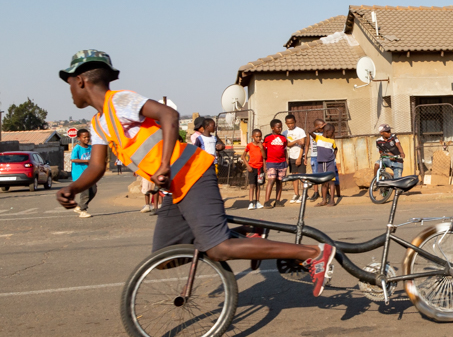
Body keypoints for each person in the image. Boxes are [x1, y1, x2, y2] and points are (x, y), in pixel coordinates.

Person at [56, 50, 333, 297]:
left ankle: (312, 254)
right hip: (172, 186)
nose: (69, 90)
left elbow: (169, 116)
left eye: (69, 82)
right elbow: (96, 166)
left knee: (218, 249)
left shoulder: (120, 101)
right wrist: (73, 189)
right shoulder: (97, 123)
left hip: (192, 172)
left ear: (81, 80)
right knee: (164, 258)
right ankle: (249, 235)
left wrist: (164, 164)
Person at [313, 123, 341, 206]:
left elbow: (335, 149)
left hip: (330, 163)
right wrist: (318, 127)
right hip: (321, 163)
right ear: (327, 131)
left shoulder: (332, 141)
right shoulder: (318, 138)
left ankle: (332, 200)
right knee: (324, 183)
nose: (333, 134)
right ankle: (324, 200)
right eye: (332, 132)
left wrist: (333, 157)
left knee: (331, 182)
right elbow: (309, 132)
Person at [69, 129, 95, 219]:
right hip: (80, 174)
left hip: (90, 173)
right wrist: (85, 161)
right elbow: (73, 159)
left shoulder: (91, 148)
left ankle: (80, 206)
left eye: (88, 137)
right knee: (86, 193)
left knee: (93, 191)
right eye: (84, 137)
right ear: (79, 138)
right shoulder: (77, 148)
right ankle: (83, 211)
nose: (86, 139)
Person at [263, 119, 288, 208]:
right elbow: (263, 151)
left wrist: (286, 160)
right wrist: (264, 163)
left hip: (282, 163)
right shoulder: (267, 138)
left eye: (281, 127)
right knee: (271, 179)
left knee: (279, 181)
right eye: (278, 127)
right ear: (272, 128)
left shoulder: (283, 138)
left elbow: (284, 150)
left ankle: (277, 200)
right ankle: (267, 201)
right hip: (271, 162)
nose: (280, 129)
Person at [283, 115, 307, 204]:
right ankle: (296, 194)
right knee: (294, 176)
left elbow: (303, 144)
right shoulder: (285, 133)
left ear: (295, 121)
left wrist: (299, 158)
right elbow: (287, 145)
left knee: (302, 176)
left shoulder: (300, 131)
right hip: (291, 156)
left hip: (299, 156)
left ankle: (304, 194)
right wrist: (296, 141)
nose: (290, 125)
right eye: (288, 123)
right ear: (286, 123)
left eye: (292, 123)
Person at [242, 128, 266, 210]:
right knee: (252, 185)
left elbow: (264, 156)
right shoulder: (249, 145)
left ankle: (257, 201)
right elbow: (243, 156)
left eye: (260, 137)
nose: (258, 138)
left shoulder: (262, 145)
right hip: (252, 168)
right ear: (252, 137)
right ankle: (251, 202)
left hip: (260, 168)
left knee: (258, 185)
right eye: (256, 137)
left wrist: (261, 148)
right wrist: (247, 166)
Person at [308, 118, 326, 202]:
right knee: (315, 175)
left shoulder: (325, 133)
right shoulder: (312, 134)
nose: (322, 127)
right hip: (314, 156)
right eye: (320, 126)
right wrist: (305, 158)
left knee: (324, 175)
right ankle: (316, 192)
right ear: (316, 126)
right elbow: (307, 145)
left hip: (323, 156)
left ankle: (325, 192)